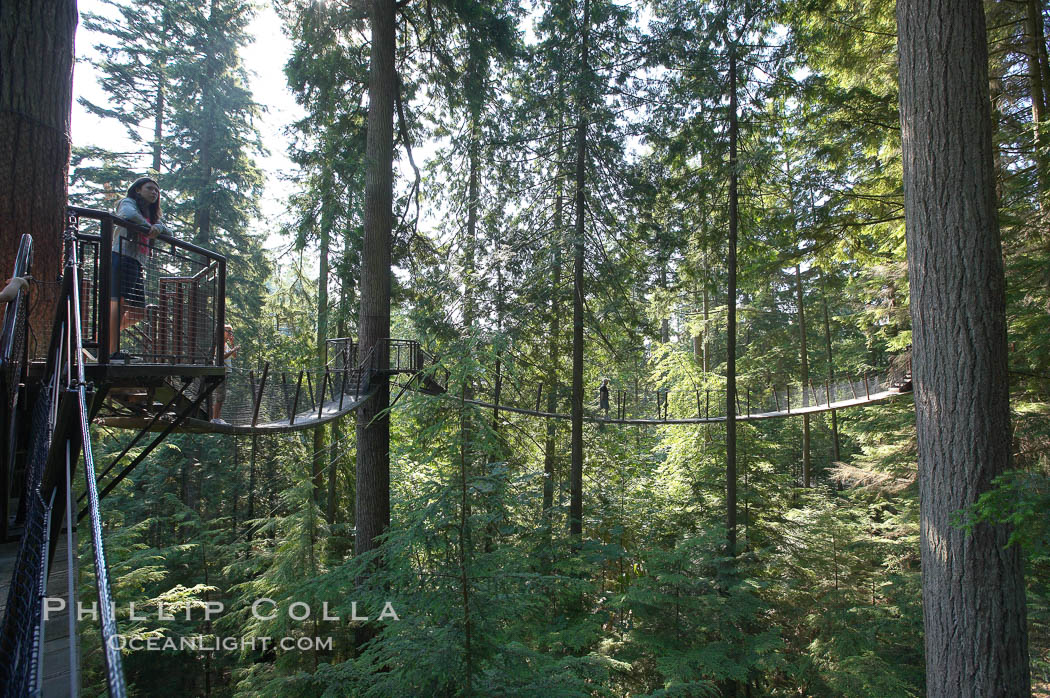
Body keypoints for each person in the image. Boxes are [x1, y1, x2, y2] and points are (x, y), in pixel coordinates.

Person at [110, 177, 170, 361]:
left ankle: (103, 340)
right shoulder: (127, 202)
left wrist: (157, 227)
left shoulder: (152, 215)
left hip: (136, 262)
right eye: (149, 188)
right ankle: (111, 351)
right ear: (137, 189)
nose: (154, 193)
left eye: (156, 191)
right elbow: (127, 215)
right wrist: (149, 227)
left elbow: (169, 231)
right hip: (121, 257)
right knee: (118, 304)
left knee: (138, 311)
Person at [210, 323, 238, 424]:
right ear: (223, 332)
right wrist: (233, 350)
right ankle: (215, 419)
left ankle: (217, 418)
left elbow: (234, 356)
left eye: (231, 331)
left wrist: (232, 344)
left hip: (225, 372)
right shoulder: (219, 343)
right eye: (228, 331)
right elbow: (221, 357)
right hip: (220, 372)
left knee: (222, 396)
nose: (230, 333)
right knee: (220, 396)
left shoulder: (225, 344)